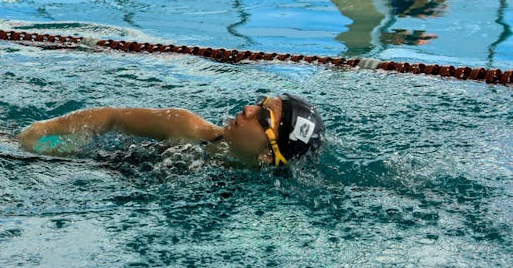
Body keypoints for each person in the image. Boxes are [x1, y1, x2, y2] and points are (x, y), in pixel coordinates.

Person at [17, 94, 325, 169]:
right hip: (99, 164)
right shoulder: (185, 126)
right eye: (259, 104)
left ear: (267, 156)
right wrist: (45, 128)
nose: (247, 109)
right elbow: (112, 117)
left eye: (262, 117)